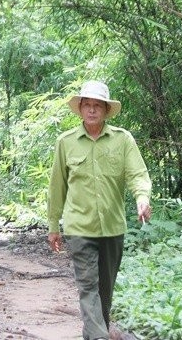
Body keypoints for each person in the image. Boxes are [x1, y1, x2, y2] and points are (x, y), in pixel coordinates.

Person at [47, 80, 151, 340]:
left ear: (105, 110)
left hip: (113, 227)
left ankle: (94, 334)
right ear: (80, 109)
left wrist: (142, 198)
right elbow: (56, 186)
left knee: (104, 290)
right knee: (87, 286)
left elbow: (138, 174)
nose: (92, 110)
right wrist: (53, 226)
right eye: (87, 105)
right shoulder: (66, 142)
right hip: (79, 227)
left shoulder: (122, 139)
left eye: (97, 105)